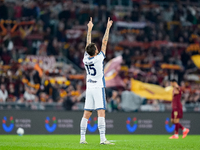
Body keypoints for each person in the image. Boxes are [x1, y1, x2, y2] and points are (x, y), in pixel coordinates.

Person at [80, 17, 114, 145]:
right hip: (98, 87)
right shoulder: (99, 58)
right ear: (95, 51)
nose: (98, 48)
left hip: (89, 88)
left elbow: (88, 44)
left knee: (86, 114)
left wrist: (89, 29)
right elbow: (105, 41)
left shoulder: (85, 59)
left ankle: (82, 139)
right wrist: (108, 27)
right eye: (96, 47)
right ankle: (102, 139)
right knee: (101, 112)